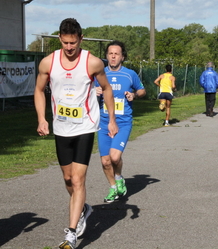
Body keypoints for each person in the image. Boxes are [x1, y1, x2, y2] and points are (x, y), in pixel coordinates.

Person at [34, 18, 118, 249]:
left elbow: (107, 89)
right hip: (61, 128)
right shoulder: (48, 63)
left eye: (73, 43)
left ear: (81, 38)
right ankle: (83, 208)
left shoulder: (91, 63)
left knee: (79, 179)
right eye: (65, 42)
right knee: (68, 179)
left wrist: (111, 119)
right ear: (59, 38)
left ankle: (71, 234)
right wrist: (42, 118)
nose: (69, 47)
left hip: (85, 126)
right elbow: (39, 90)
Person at [96, 41, 146, 203]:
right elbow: (87, 92)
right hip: (103, 122)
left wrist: (134, 95)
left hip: (123, 122)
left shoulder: (129, 74)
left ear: (122, 57)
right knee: (105, 161)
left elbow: (142, 90)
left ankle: (118, 177)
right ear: (106, 56)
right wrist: (93, 92)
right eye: (110, 53)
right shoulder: (100, 74)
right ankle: (113, 188)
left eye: (116, 54)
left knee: (115, 157)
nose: (113, 56)